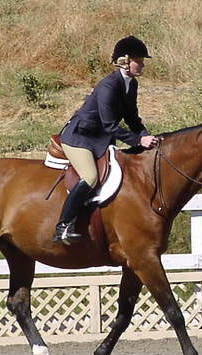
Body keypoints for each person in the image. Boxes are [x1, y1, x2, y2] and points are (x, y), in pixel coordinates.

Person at [52, 35, 159, 245]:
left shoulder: (131, 84)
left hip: (101, 139)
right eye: (139, 61)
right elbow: (109, 125)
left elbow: (132, 118)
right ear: (125, 62)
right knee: (91, 176)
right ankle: (63, 226)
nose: (142, 65)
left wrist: (145, 136)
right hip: (80, 138)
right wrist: (138, 141)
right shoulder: (109, 85)